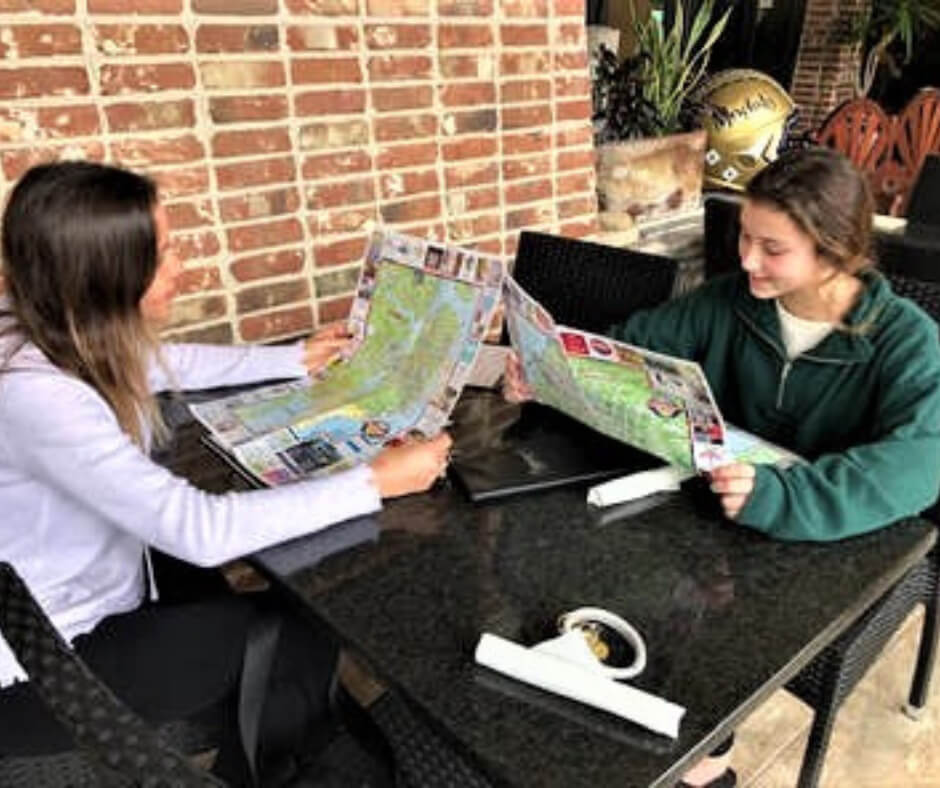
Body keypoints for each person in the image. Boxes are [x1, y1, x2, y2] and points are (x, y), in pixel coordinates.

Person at [0, 161, 452, 786]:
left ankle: (300, 743)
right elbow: (199, 529)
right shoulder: (33, 394)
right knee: (292, 632)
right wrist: (375, 480)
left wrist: (292, 359)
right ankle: (299, 767)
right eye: (163, 252)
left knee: (287, 616)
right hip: (50, 658)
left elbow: (159, 362)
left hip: (101, 587)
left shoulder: (39, 321)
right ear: (106, 276)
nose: (182, 262)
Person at [504, 147, 940, 786]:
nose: (746, 260)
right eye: (744, 236)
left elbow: (918, 464)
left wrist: (782, 498)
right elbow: (636, 346)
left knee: (711, 633)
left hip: (825, 546)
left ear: (838, 251)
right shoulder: (730, 300)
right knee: (594, 569)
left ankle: (707, 764)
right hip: (715, 517)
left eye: (773, 248)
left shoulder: (905, 339)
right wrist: (553, 374)